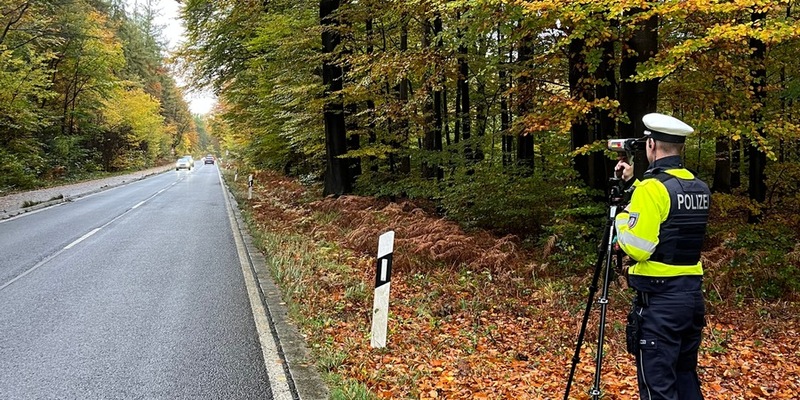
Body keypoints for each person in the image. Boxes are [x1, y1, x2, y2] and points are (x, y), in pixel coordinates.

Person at [614, 113, 711, 400]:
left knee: (658, 387)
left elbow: (637, 247)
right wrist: (634, 185)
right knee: (685, 378)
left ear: (651, 144)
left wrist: (621, 218)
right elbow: (668, 218)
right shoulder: (698, 187)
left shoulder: (651, 189)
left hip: (659, 302)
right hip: (691, 299)